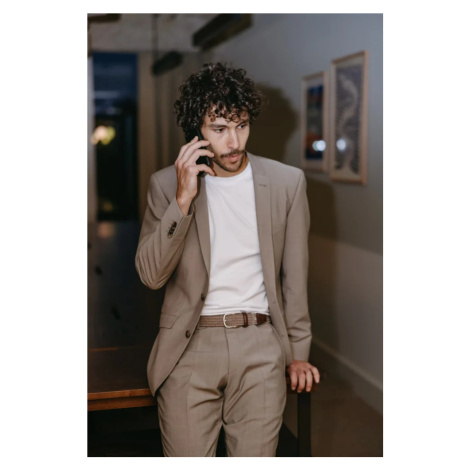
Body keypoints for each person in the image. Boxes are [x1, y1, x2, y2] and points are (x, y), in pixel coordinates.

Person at [135, 62, 320, 457]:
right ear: (197, 132)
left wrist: (298, 355)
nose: (234, 142)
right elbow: (150, 276)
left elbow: (295, 279)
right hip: (190, 347)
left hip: (261, 345)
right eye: (219, 129)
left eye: (241, 125)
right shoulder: (165, 185)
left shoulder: (287, 182)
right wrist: (183, 200)